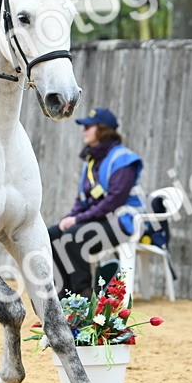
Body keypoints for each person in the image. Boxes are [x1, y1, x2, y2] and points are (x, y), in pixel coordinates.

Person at [48, 108, 145, 299]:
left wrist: (78, 219)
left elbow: (112, 202)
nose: (84, 130)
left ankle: (84, 295)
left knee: (75, 235)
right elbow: (82, 200)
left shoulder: (124, 159)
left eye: (88, 127)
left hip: (123, 223)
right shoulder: (91, 161)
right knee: (53, 234)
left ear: (102, 130)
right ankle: (65, 293)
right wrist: (70, 217)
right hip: (101, 220)